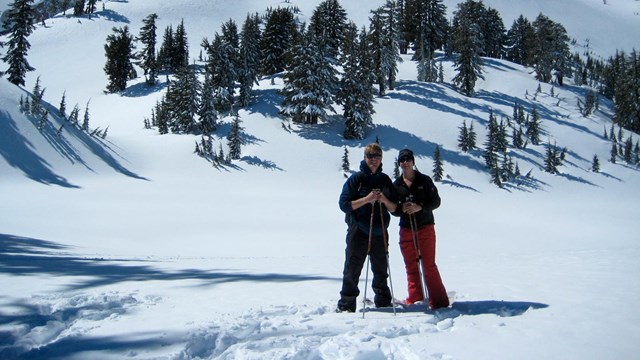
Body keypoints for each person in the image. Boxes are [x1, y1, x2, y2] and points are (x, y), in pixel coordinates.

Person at [337, 143, 398, 313]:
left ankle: (384, 302)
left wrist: (384, 200)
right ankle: (346, 304)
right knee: (352, 268)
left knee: (380, 269)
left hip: (380, 230)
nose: (373, 160)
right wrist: (366, 199)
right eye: (370, 156)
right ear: (365, 158)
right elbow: (343, 204)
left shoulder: (385, 180)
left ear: (381, 159)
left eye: (377, 157)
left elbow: (395, 209)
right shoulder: (356, 179)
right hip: (359, 229)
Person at [393, 148, 449, 309]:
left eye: (407, 159)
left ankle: (439, 301)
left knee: (428, 265)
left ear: (413, 162)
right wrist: (401, 209)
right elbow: (395, 210)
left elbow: (436, 202)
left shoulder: (424, 181)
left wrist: (420, 207)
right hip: (406, 228)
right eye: (402, 160)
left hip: (425, 226)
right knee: (410, 265)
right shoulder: (396, 185)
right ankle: (415, 297)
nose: (405, 163)